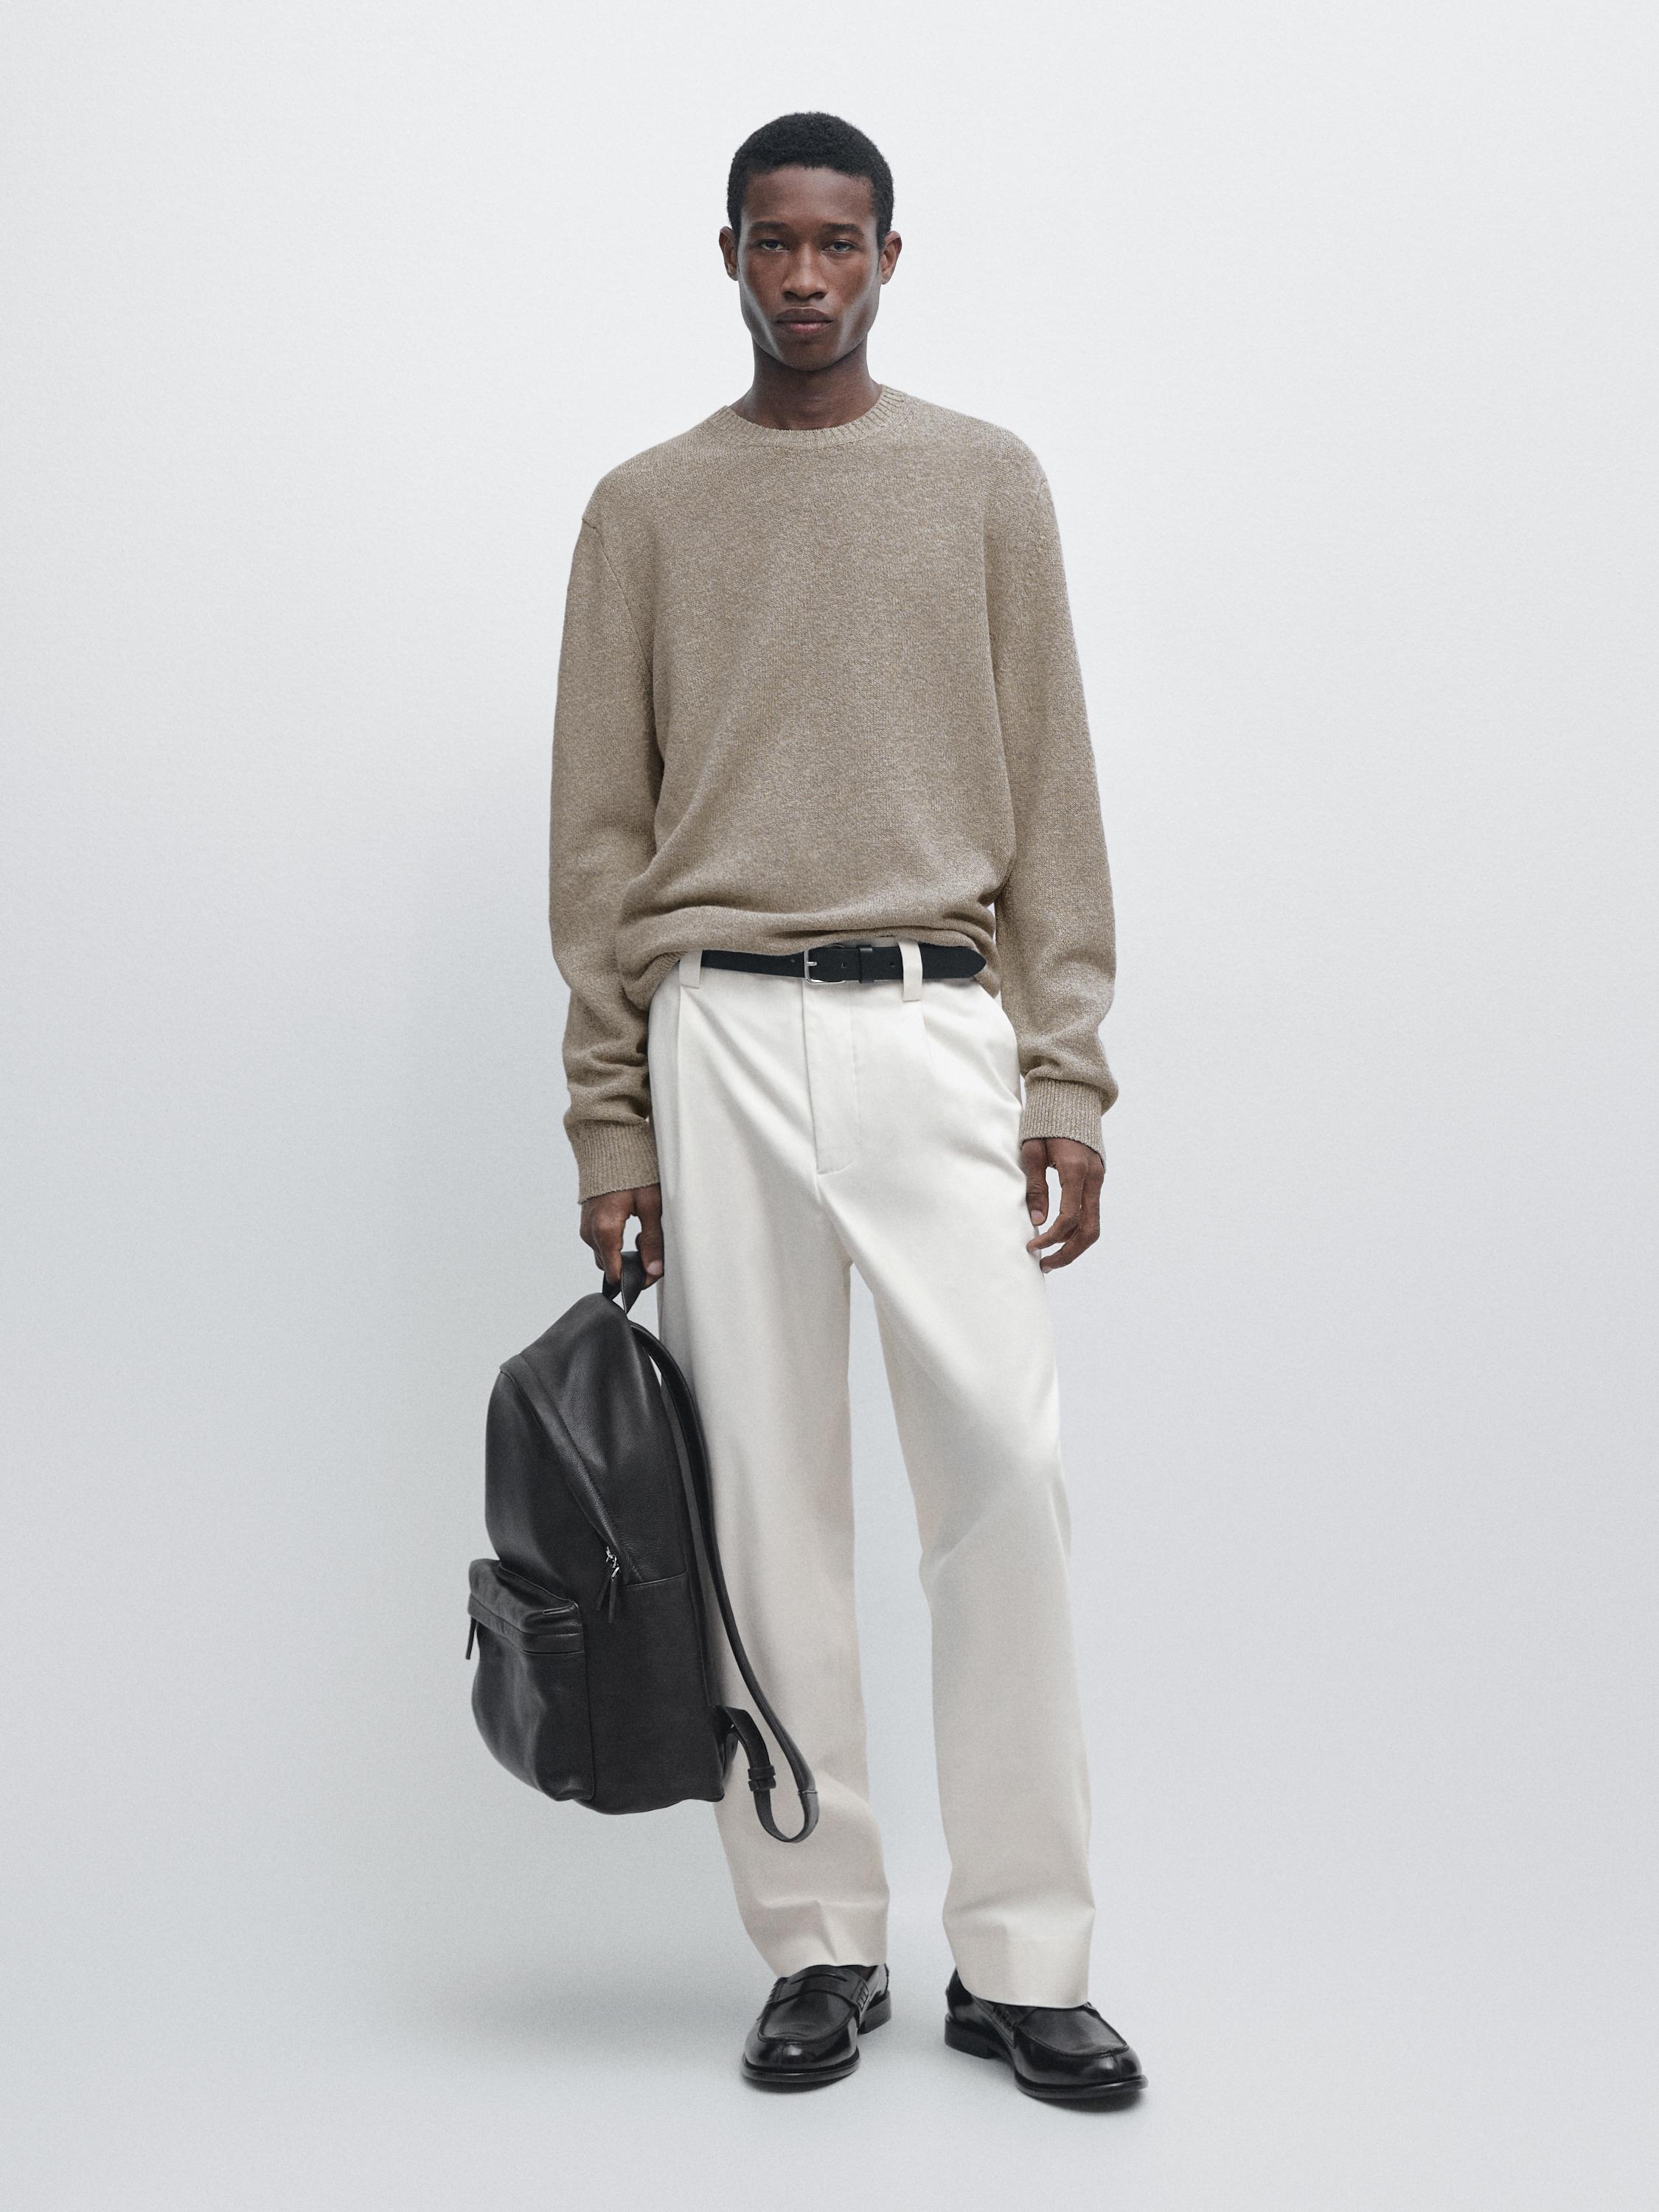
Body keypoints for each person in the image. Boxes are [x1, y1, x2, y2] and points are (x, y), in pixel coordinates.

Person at [548, 110, 1144, 2104]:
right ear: (725, 255)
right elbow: (598, 840)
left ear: (891, 257)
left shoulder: (982, 484)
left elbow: (1053, 792)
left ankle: (1025, 1956)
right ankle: (817, 1941)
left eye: (839, 243)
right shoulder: (645, 509)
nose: (805, 276)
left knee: (1003, 1485)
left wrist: (1065, 1073)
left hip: (934, 1021)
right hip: (714, 1030)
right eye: (772, 243)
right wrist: (611, 1124)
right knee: (765, 1510)